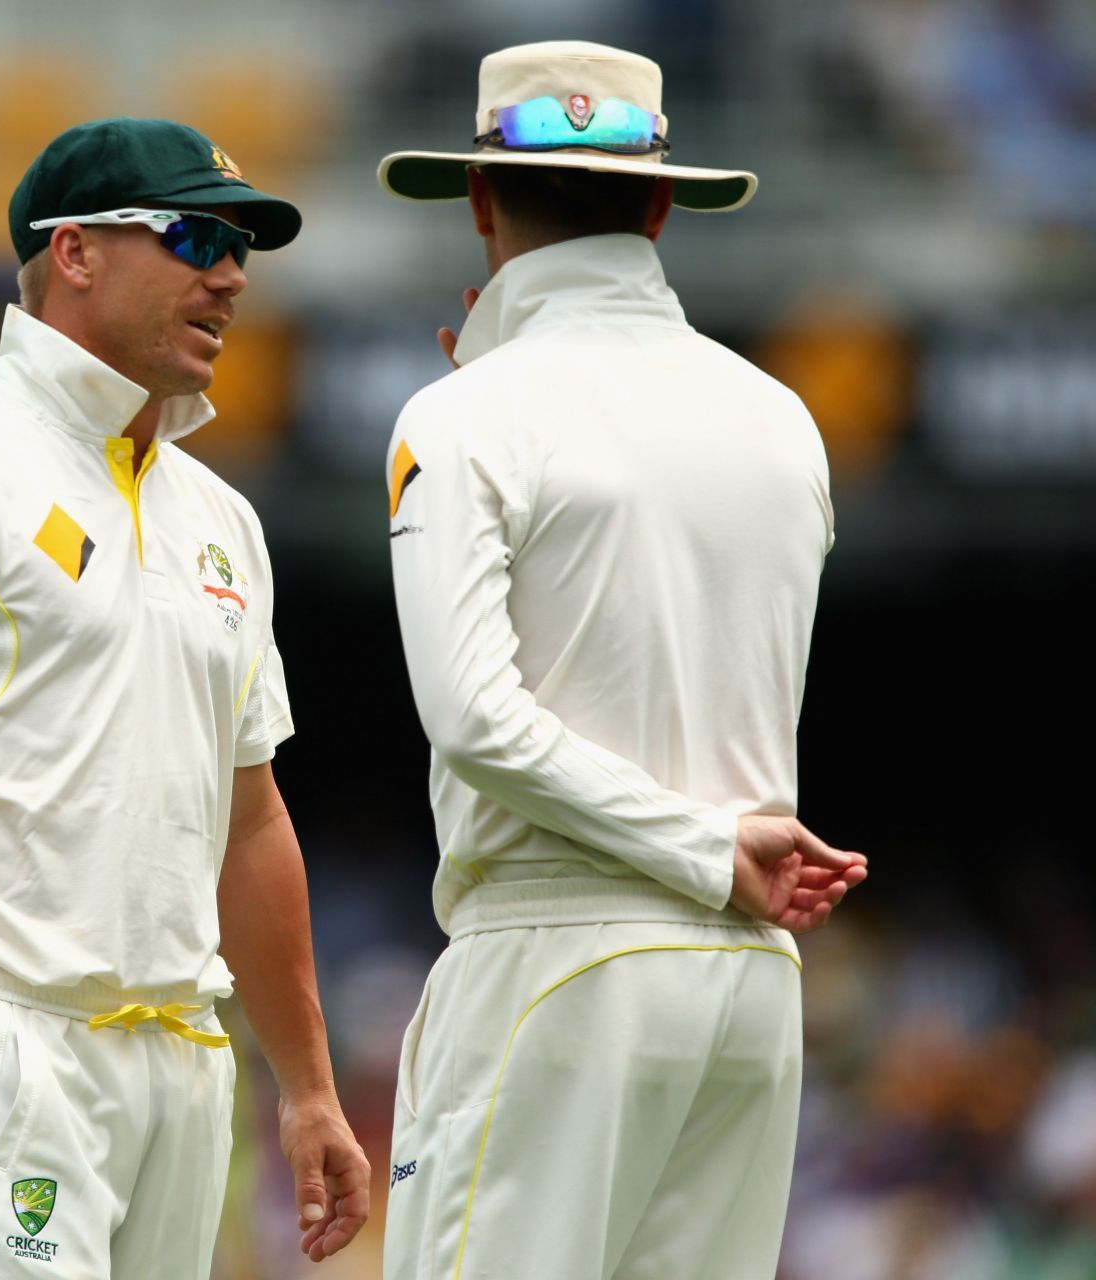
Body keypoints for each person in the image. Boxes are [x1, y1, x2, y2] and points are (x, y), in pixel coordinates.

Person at [0, 117, 369, 1277]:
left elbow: (250, 818)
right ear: (77, 252)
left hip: (183, 1054)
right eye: (197, 235)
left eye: (242, 243)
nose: (232, 273)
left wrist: (307, 1087)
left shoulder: (222, 519)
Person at [375, 41, 869, 1279]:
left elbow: (477, 720)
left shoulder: (465, 412)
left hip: (558, 958)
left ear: (481, 199)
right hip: (752, 984)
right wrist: (714, 853)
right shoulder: (780, 413)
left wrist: (704, 849)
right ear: (660, 202)